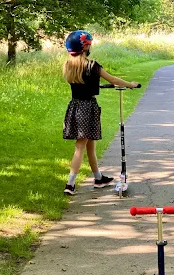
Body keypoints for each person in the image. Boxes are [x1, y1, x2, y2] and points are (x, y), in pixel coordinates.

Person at [62, 30, 139, 195]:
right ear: (86, 46)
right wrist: (130, 84)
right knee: (81, 145)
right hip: (88, 107)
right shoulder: (92, 65)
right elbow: (113, 80)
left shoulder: (68, 65)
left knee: (90, 145)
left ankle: (98, 178)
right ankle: (70, 184)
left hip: (75, 106)